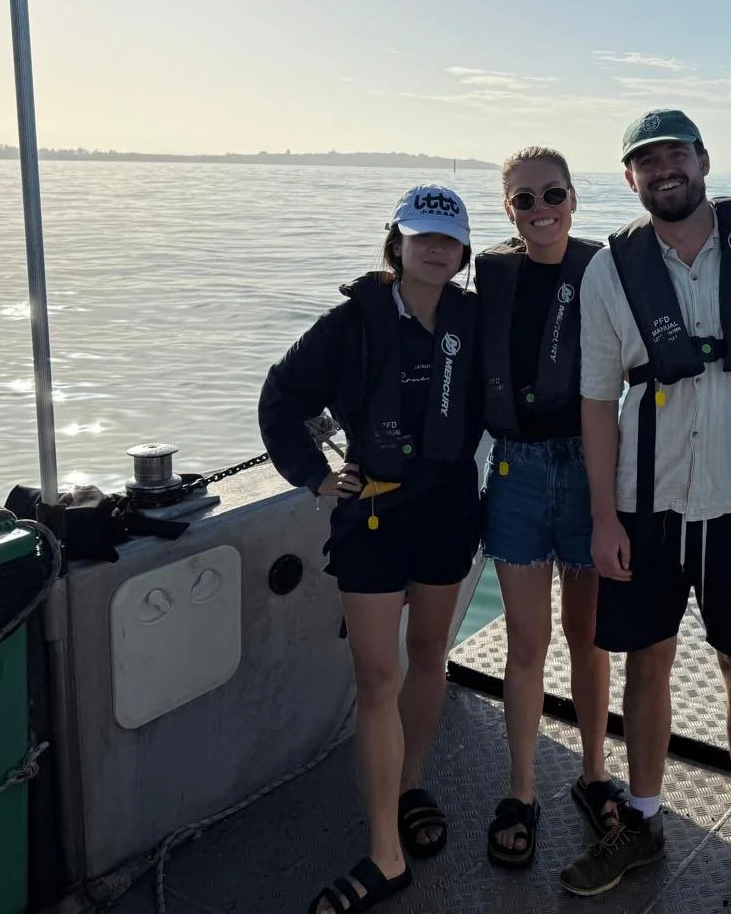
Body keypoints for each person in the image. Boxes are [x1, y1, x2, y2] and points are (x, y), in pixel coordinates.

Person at [559, 109, 731, 914]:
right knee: (644, 661)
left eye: (675, 156)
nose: (663, 171)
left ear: (704, 161)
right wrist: (602, 519)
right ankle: (644, 820)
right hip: (644, 501)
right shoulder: (609, 272)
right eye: (645, 162)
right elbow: (594, 401)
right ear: (629, 179)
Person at [257, 183, 484, 914]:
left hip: (447, 511)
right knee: (377, 675)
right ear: (396, 242)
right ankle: (385, 851)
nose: (434, 249)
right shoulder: (348, 325)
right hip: (375, 515)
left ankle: (411, 783)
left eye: (448, 239)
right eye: (421, 236)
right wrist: (317, 478)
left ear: (464, 252)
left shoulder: (472, 320)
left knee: (428, 656)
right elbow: (279, 398)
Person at [473, 146, 624, 868]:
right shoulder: (492, 273)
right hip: (516, 471)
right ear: (507, 209)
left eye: (553, 194)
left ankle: (595, 774)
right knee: (527, 644)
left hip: (588, 466)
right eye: (524, 200)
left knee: (587, 639)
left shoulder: (603, 268)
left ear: (574, 198)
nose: (541, 210)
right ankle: (523, 788)